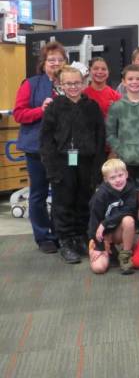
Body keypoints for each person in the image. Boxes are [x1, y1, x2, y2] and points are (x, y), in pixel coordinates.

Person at [39, 66, 106, 264]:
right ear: (60, 85)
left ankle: (81, 237)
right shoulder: (54, 108)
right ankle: (66, 241)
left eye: (77, 83)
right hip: (62, 162)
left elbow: (100, 138)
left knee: (84, 201)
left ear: (84, 82)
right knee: (63, 203)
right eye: (68, 83)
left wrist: (97, 168)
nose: (73, 87)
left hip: (86, 162)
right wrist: (52, 169)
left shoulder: (92, 106)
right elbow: (46, 141)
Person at [13, 41, 66, 253]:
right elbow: (19, 114)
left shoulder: (71, 83)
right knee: (39, 194)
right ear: (43, 63)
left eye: (60, 60)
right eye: (51, 60)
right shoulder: (31, 84)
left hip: (63, 150)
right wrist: (40, 110)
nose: (56, 63)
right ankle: (43, 236)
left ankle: (61, 233)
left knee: (63, 193)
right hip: (37, 149)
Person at [107, 64, 139, 223]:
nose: (134, 82)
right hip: (125, 161)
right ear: (123, 82)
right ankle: (128, 230)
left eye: (138, 79)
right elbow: (110, 133)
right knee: (127, 196)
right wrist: (120, 150)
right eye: (130, 79)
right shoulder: (117, 107)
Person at [87, 158, 137, 274]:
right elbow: (93, 222)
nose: (118, 180)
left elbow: (129, 210)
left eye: (120, 175)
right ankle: (106, 250)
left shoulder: (131, 189)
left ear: (126, 174)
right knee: (99, 268)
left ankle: (125, 257)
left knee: (129, 220)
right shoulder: (100, 195)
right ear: (106, 180)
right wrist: (99, 246)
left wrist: (105, 223)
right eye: (112, 178)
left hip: (116, 231)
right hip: (100, 235)